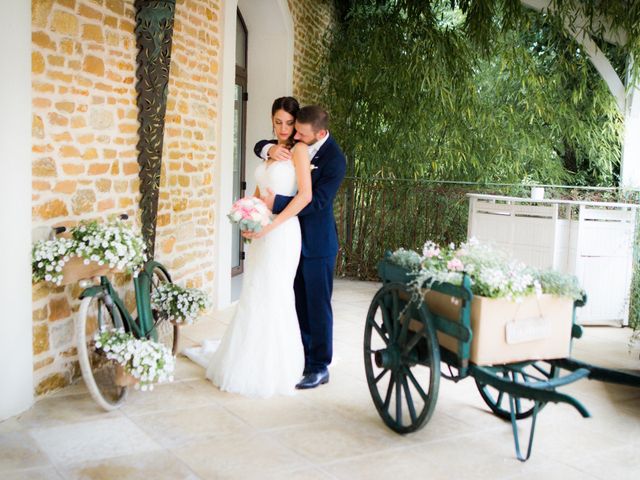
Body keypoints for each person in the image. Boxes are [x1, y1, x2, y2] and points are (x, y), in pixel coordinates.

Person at [185, 96, 311, 397]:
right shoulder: (269, 152)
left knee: (276, 293)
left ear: (297, 125)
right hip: (261, 232)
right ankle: (244, 358)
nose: (283, 128)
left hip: (282, 232)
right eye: (278, 122)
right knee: (254, 292)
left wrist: (270, 224)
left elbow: (304, 196)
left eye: (289, 123)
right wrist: (248, 218)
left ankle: (277, 365)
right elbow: (257, 192)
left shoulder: (300, 152)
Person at [253, 105, 346, 389]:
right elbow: (262, 144)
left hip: (317, 243)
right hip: (288, 239)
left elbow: (317, 201)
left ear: (319, 133)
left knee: (317, 306)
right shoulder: (298, 141)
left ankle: (319, 367)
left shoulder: (335, 160)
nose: (295, 135)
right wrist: (267, 149)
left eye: (301, 133)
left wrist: (276, 204)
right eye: (295, 130)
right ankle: (300, 358)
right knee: (296, 303)